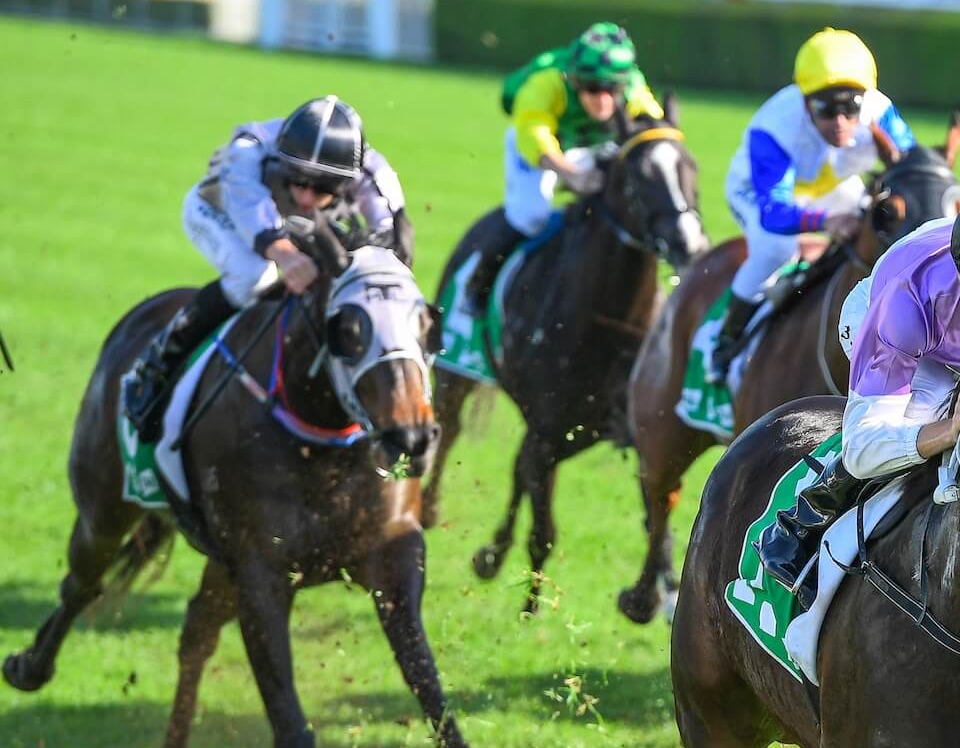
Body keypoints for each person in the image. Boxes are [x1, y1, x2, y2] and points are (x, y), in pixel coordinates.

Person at [756, 180, 960, 596]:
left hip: (957, 330)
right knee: (934, 412)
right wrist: (948, 429)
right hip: (903, 332)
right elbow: (864, 447)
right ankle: (803, 520)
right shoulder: (905, 308)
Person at [121, 96, 408, 443]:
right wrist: (286, 256)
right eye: (297, 180)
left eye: (321, 189)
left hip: (298, 226)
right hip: (221, 211)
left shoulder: (368, 168)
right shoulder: (250, 149)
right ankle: (158, 364)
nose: (306, 194)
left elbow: (393, 226)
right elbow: (252, 215)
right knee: (253, 276)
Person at [711, 28, 918, 382]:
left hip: (835, 187)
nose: (839, 122)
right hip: (761, 195)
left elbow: (914, 168)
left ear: (864, 100)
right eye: (826, 108)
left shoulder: (881, 113)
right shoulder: (775, 127)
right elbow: (774, 213)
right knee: (776, 249)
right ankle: (727, 339)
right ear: (805, 101)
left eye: (850, 107)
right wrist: (826, 221)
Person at [461, 22, 667, 320]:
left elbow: (650, 128)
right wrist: (570, 174)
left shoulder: (633, 86)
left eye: (613, 89)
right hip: (539, 147)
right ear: (574, 80)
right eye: (593, 88)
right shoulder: (547, 82)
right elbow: (534, 134)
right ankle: (478, 284)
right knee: (529, 215)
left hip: (594, 145)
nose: (604, 99)